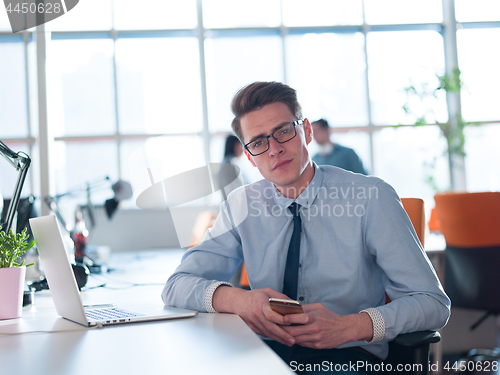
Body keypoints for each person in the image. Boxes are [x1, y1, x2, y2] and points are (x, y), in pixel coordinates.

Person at [163, 81, 450, 373]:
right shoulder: (241, 204)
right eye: (259, 142)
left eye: (284, 131)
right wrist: (239, 299)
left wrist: (351, 326)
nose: (274, 149)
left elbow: (432, 303)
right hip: (264, 353)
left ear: (307, 131)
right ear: (249, 156)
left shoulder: (372, 197)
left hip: (348, 354)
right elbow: (177, 285)